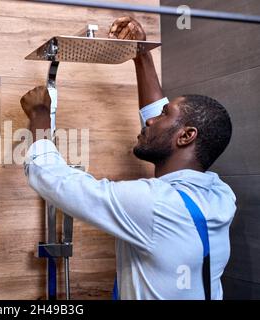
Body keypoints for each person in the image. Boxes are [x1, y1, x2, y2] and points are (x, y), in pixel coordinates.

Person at [20, 16, 236, 300]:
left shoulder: (155, 204)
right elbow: (164, 130)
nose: (149, 121)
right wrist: (141, 54)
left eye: (163, 114)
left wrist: (38, 118)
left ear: (186, 136)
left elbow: (54, 180)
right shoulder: (220, 195)